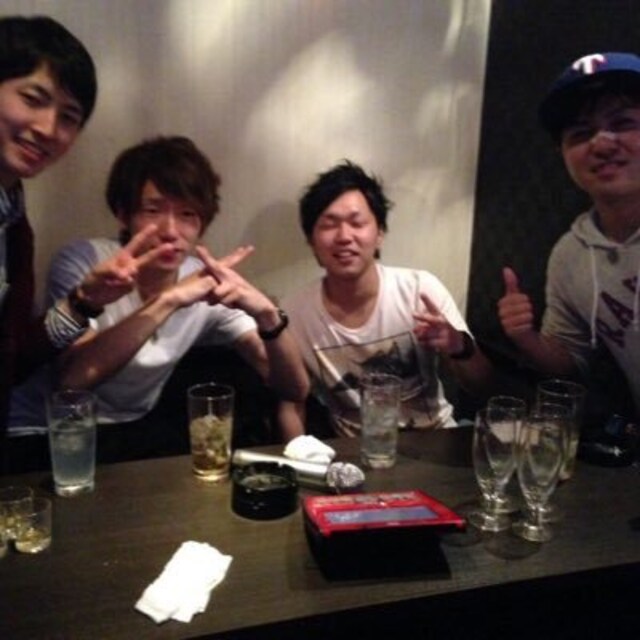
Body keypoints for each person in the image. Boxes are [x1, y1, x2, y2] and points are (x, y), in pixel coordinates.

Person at [9, 135, 309, 466]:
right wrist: (168, 300)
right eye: (153, 210)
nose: (170, 230)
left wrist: (268, 316)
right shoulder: (86, 262)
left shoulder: (201, 280)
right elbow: (73, 380)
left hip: (130, 433)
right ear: (123, 213)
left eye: (187, 214)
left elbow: (294, 389)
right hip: (44, 432)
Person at [0, 16, 171, 471]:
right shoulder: (70, 251)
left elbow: (13, 359)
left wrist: (84, 302)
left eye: (69, 117)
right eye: (33, 99)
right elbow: (70, 380)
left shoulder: (14, 222)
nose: (47, 128)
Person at [278, 161, 493, 440]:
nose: (344, 236)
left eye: (357, 223)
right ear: (312, 241)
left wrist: (459, 346)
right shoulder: (295, 312)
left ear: (379, 233)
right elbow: (291, 403)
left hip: (434, 441)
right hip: (353, 452)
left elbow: (482, 386)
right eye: (329, 225)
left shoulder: (419, 290)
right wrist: (297, 460)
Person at [498, 52, 640, 421]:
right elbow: (568, 363)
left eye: (622, 123)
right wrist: (525, 338)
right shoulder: (572, 254)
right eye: (581, 133)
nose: (602, 144)